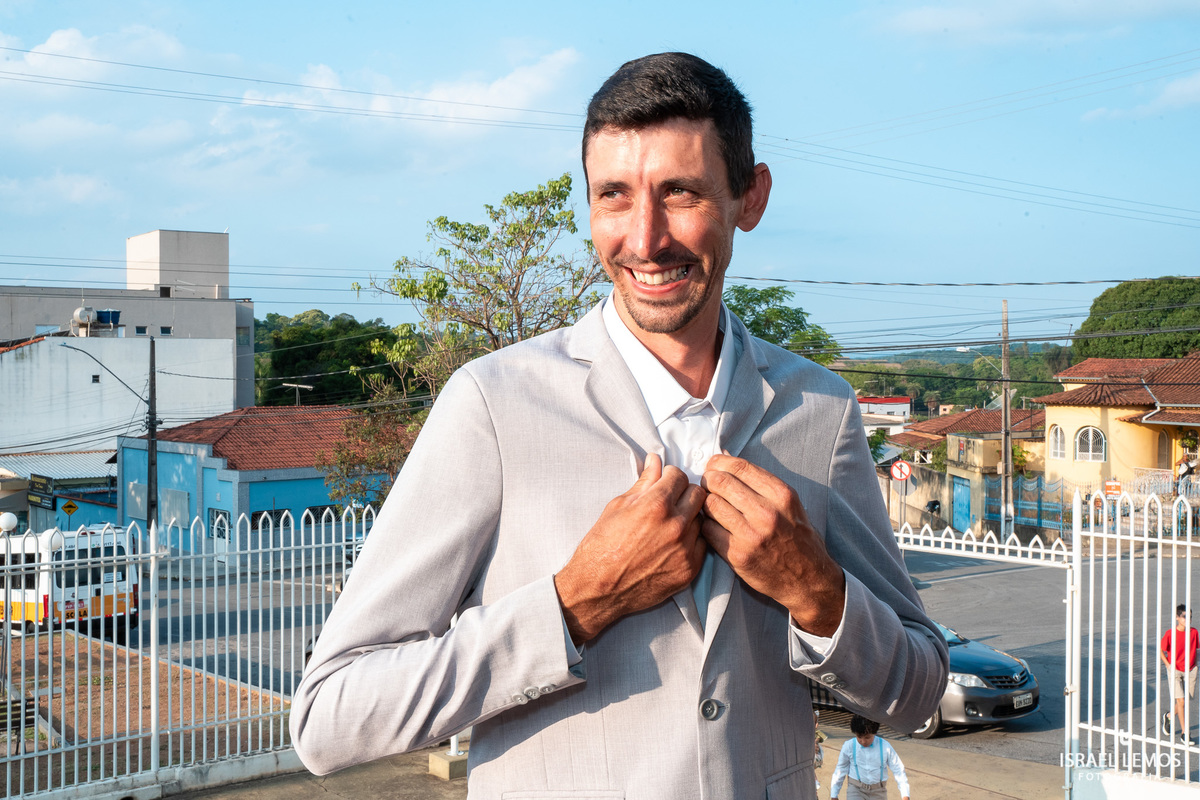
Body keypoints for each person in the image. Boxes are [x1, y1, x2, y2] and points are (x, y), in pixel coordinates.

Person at [290, 52, 948, 799]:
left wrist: (820, 593)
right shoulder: (494, 404)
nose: (645, 238)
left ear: (750, 197)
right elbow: (329, 717)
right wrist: (575, 603)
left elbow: (919, 691)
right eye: (614, 195)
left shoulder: (819, 410)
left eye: (681, 193)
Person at [830, 715, 910, 800]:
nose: (863, 741)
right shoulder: (849, 746)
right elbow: (841, 769)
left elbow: (898, 769)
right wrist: (834, 794)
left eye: (867, 737)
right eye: (859, 737)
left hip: (879, 791)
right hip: (856, 789)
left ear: (875, 733)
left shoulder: (885, 746)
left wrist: (905, 794)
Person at [1161, 604, 1199, 743]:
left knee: (1185, 702)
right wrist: (1168, 665)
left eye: (1189, 617)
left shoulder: (1194, 632)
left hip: (1191, 669)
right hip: (1175, 670)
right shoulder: (1171, 633)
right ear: (1177, 618)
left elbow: (1197, 649)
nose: (1187, 619)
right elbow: (1162, 650)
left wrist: (1196, 663)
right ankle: (1185, 733)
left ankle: (1169, 716)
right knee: (1181, 701)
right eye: (1184, 616)